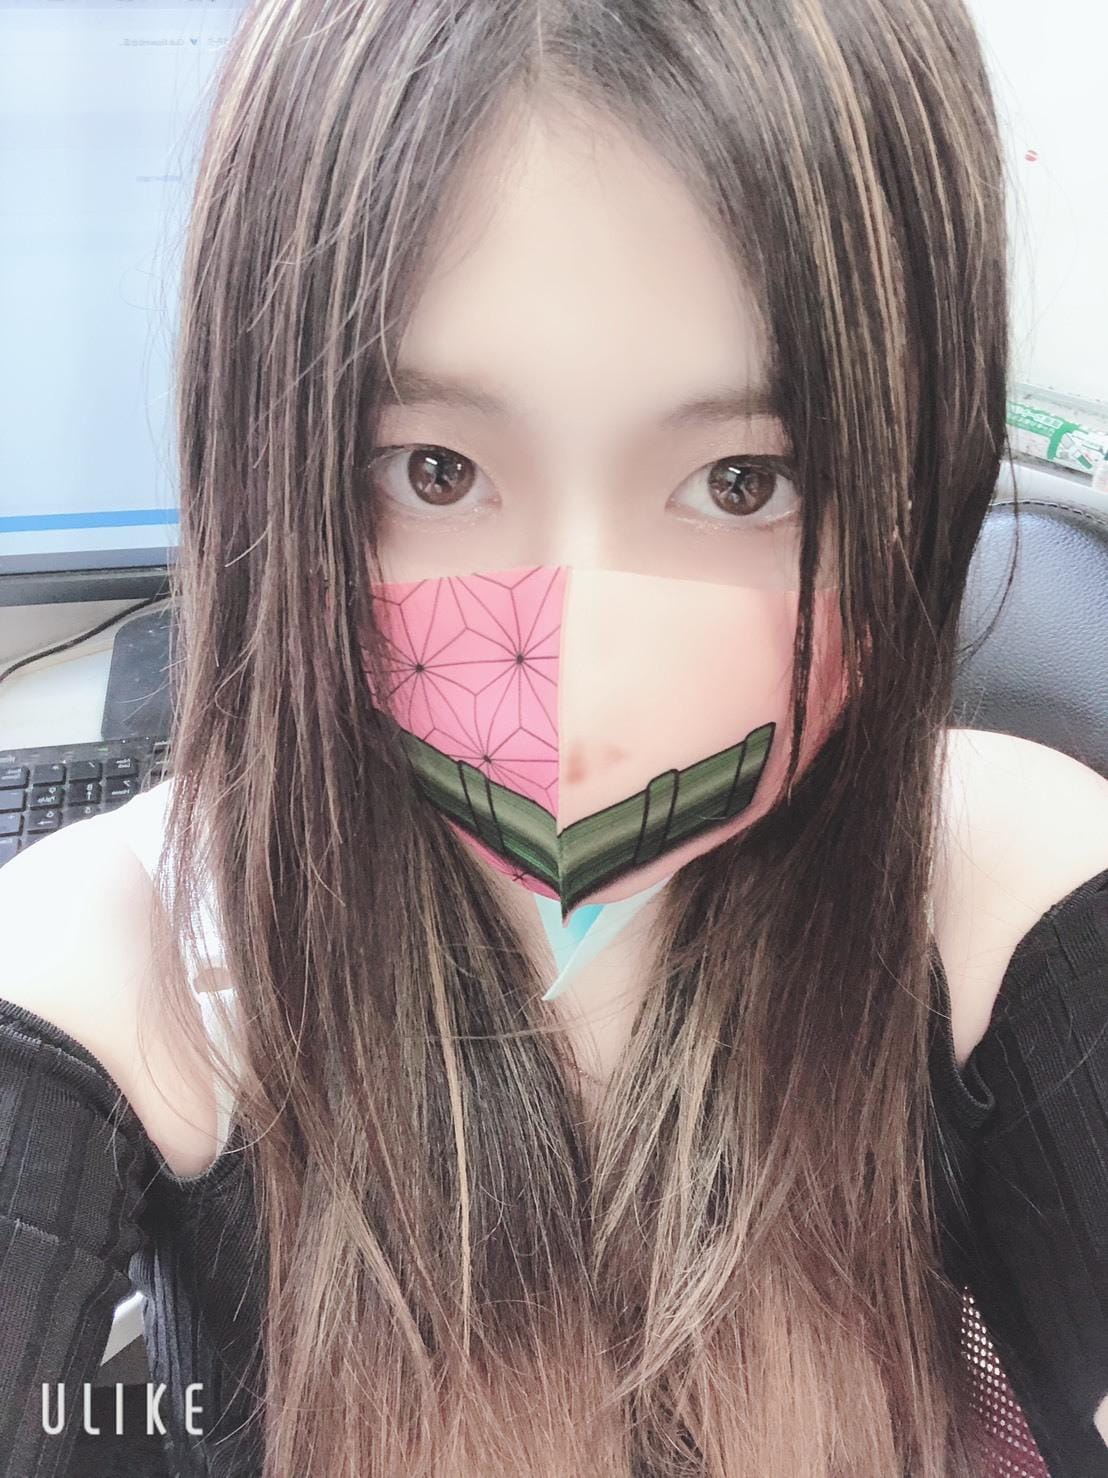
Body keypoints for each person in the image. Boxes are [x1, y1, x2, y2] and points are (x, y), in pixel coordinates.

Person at [0, 0, 1106, 1474]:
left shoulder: (989, 887)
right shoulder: (123, 964)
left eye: (743, 480)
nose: (572, 678)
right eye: (435, 469)